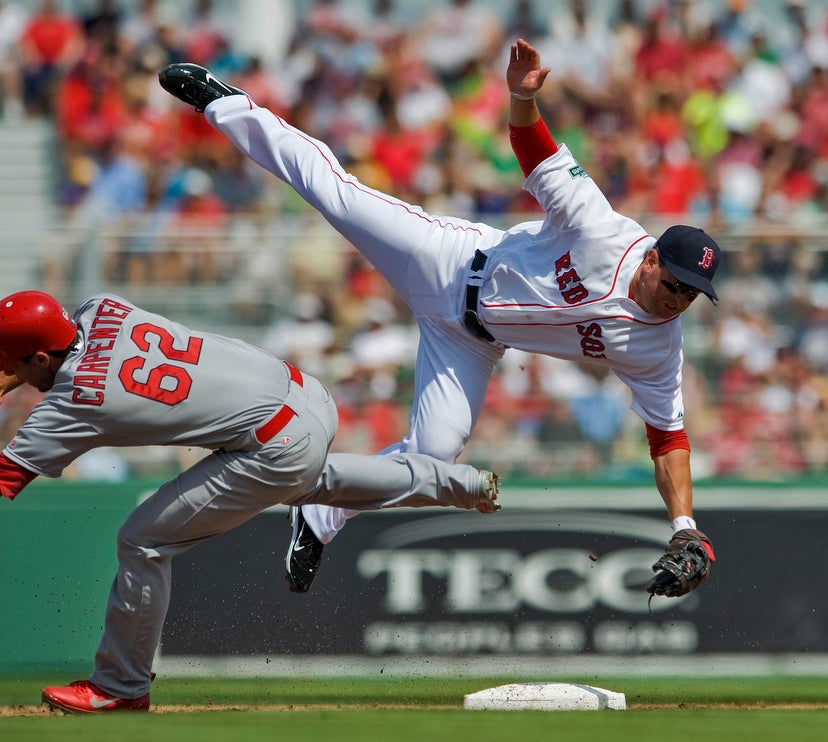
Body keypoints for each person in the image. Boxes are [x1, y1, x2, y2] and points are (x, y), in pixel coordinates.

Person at [158, 37, 722, 596]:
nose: (679, 300)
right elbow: (536, 152)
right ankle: (224, 102)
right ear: (651, 259)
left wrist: (684, 526)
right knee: (337, 194)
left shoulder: (658, 346)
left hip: (472, 342)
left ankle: (318, 517)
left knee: (434, 456)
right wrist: (521, 98)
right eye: (675, 283)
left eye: (692, 295)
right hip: (449, 262)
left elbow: (668, 439)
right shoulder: (601, 229)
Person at [0, 289, 499, 713]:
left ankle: (119, 687)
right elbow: (54, 346)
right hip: (305, 395)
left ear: (36, 357)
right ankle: (463, 485)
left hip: (271, 441)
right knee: (312, 478)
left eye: (12, 366)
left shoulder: (74, 399)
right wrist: (4, 379)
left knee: (142, 540)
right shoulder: (100, 306)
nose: (10, 374)